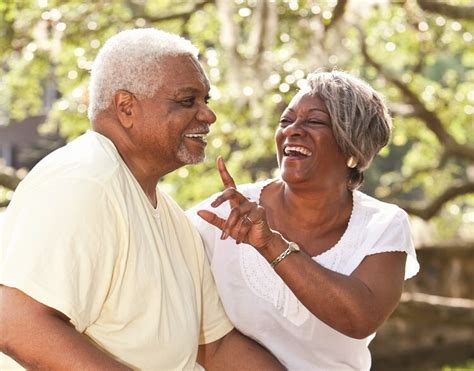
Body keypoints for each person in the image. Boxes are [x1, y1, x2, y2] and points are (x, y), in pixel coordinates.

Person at [0, 28, 283, 370]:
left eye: (205, 101)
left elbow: (216, 347)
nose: (208, 116)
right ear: (126, 108)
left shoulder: (171, 216)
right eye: (186, 100)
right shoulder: (85, 182)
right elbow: (16, 322)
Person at [187, 70, 420, 370]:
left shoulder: (382, 226)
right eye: (286, 120)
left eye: (314, 121)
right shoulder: (224, 215)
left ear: (353, 149)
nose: (292, 131)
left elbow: (359, 318)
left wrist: (270, 244)